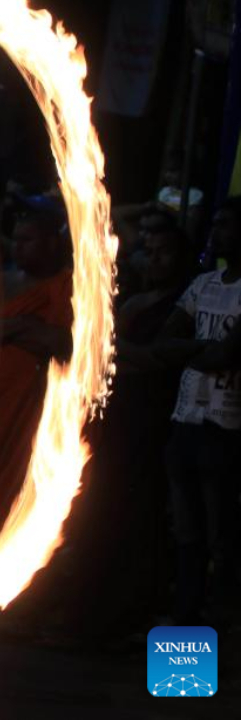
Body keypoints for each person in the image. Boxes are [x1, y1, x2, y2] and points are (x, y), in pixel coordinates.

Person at [0, 197, 72, 541]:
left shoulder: (70, 287)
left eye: (29, 240)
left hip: (38, 407)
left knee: (27, 491)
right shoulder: (3, 284)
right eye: (17, 239)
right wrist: (27, 328)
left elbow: (65, 343)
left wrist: (15, 327)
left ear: (53, 241)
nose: (19, 247)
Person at [158, 196, 241, 626]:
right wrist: (201, 350)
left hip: (225, 427)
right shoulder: (203, 285)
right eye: (216, 224)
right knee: (187, 535)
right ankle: (186, 642)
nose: (217, 232)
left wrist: (193, 352)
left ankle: (219, 633)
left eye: (227, 225)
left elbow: (223, 355)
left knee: (219, 536)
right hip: (185, 420)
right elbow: (164, 342)